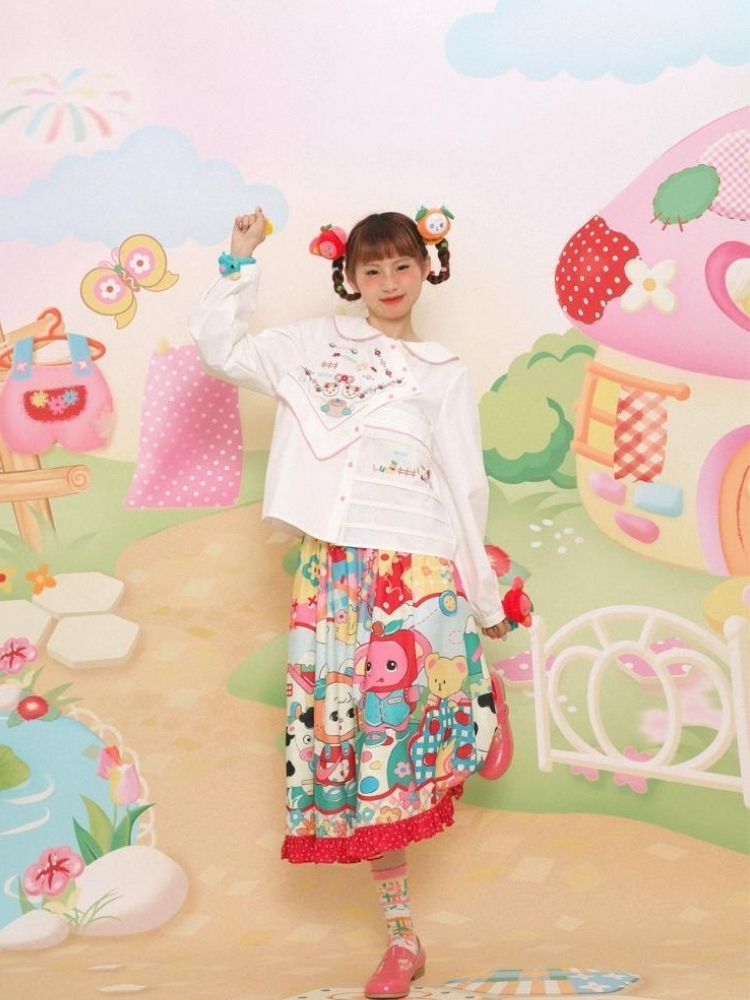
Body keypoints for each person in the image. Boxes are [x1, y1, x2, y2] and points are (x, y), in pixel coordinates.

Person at [189, 207, 512, 999]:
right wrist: (239, 258)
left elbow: (466, 488)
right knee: (360, 759)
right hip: (335, 571)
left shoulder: (442, 371)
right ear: (350, 277)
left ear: (426, 269)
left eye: (403, 266)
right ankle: (402, 938)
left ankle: (474, 702)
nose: (389, 283)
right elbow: (220, 348)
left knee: (401, 730)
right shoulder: (311, 347)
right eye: (372, 269)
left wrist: (483, 596)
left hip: (419, 564)